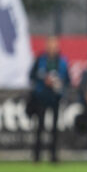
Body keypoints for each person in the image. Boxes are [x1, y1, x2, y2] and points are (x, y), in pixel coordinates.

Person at [28, 35, 70, 163]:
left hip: (55, 97)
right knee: (40, 127)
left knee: (54, 129)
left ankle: (53, 155)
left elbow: (68, 80)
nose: (52, 48)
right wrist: (43, 80)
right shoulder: (40, 59)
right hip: (41, 97)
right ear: (46, 46)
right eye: (50, 45)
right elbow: (31, 76)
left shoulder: (62, 62)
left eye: (54, 45)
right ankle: (37, 156)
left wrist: (59, 84)